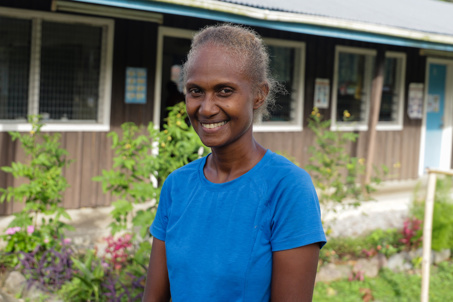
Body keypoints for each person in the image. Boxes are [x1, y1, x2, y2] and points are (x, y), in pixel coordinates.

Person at [143, 24, 326, 302]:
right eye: (195, 91)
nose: (206, 108)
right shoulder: (177, 185)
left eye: (224, 91)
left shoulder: (287, 189)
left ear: (259, 94)